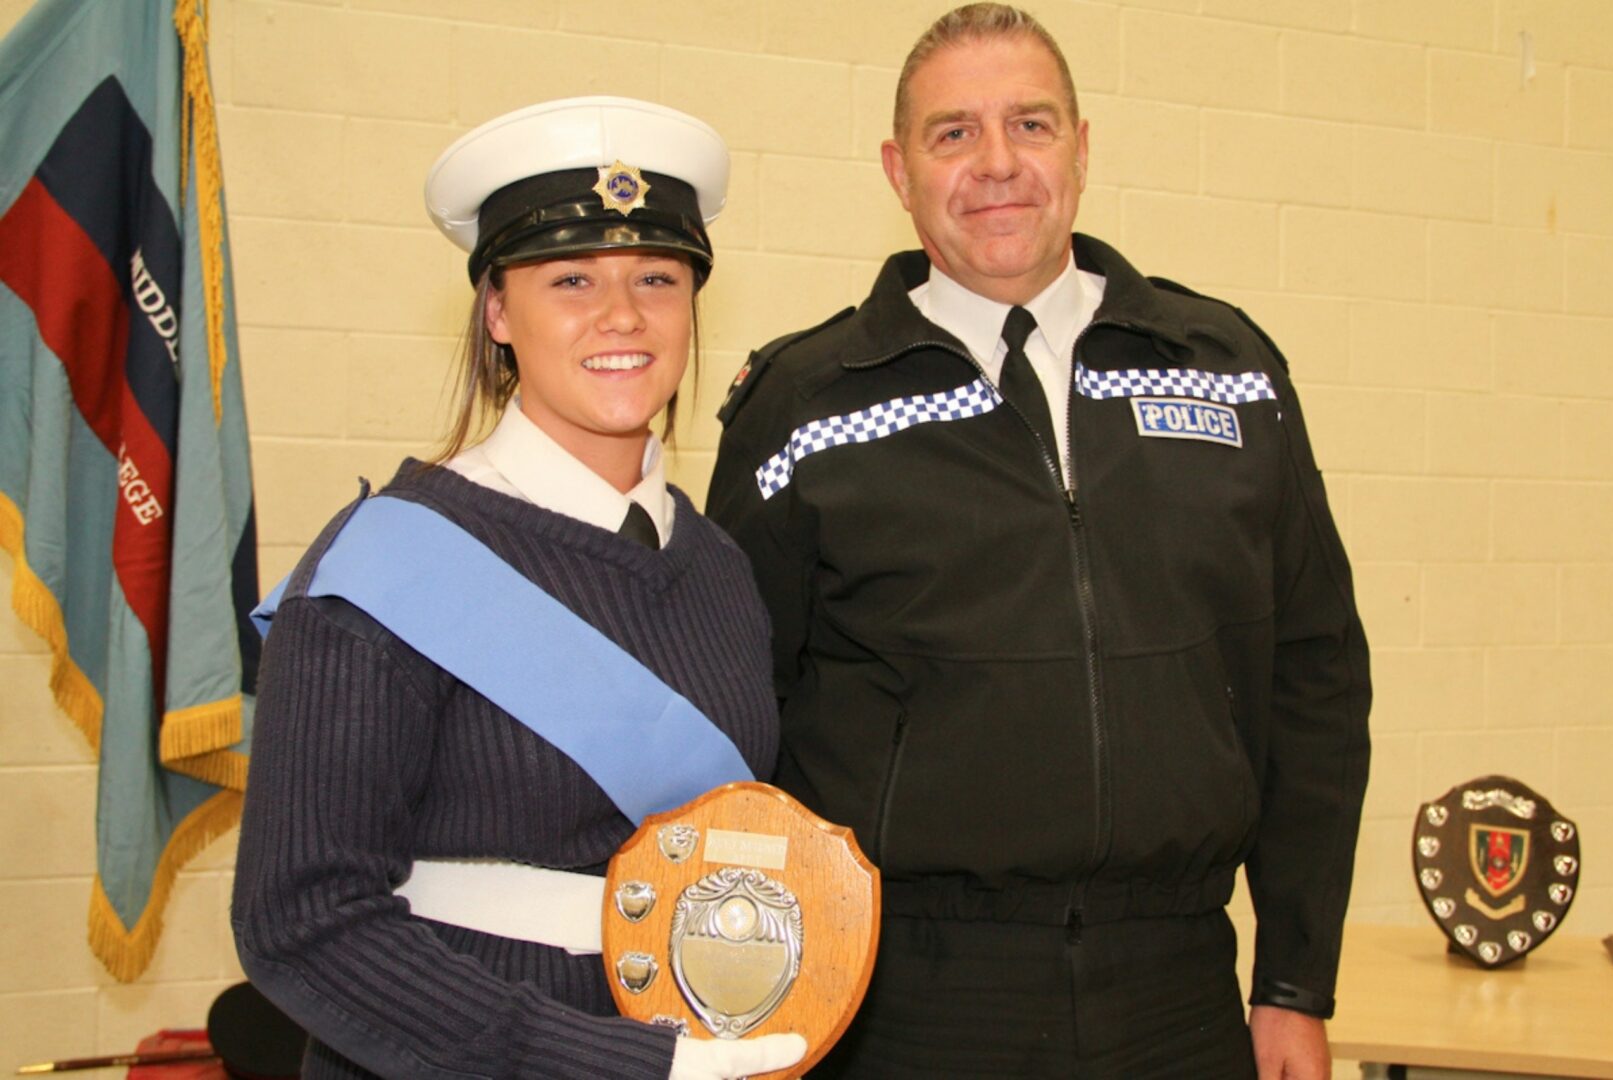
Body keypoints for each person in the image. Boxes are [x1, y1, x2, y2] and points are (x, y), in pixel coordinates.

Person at [706, 6, 1371, 1079]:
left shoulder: (1229, 370)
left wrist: (1294, 980)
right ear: (898, 168)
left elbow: (1315, 679)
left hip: (1178, 992)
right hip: (904, 1002)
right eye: (953, 134)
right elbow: (736, 720)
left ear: (1082, 145)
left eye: (1031, 124)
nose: (998, 163)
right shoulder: (804, 405)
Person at [233, 97, 805, 1080]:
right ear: (499, 311)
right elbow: (302, 919)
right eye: (571, 278)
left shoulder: (721, 570)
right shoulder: (384, 565)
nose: (622, 315)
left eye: (658, 278)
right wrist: (609, 1064)